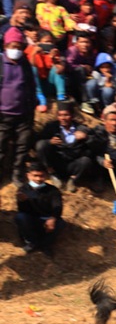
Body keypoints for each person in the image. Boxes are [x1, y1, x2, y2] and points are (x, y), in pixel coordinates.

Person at [1, 25, 47, 185]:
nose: (16, 50)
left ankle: (17, 174)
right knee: (1, 145)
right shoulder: (0, 63)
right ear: (6, 46)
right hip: (3, 115)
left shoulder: (25, 64)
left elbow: (31, 85)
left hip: (23, 114)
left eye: (19, 47)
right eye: (13, 46)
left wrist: (33, 105)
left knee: (22, 146)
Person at [34, 100, 93, 193]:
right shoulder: (51, 127)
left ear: (72, 116)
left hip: (73, 165)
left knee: (86, 161)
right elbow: (37, 142)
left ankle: (72, 180)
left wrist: (86, 137)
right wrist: (49, 142)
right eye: (60, 115)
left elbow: (96, 143)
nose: (63, 118)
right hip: (56, 163)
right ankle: (53, 175)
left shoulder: (81, 128)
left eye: (66, 115)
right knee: (41, 145)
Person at [15, 161, 63, 255]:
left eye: (42, 176)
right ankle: (32, 242)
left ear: (46, 176)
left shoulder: (52, 190)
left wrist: (52, 218)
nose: (38, 179)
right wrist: (22, 201)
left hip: (47, 220)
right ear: (28, 175)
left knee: (60, 223)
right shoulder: (23, 189)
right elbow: (23, 211)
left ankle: (45, 245)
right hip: (31, 219)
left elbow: (58, 207)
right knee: (20, 217)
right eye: (35, 175)